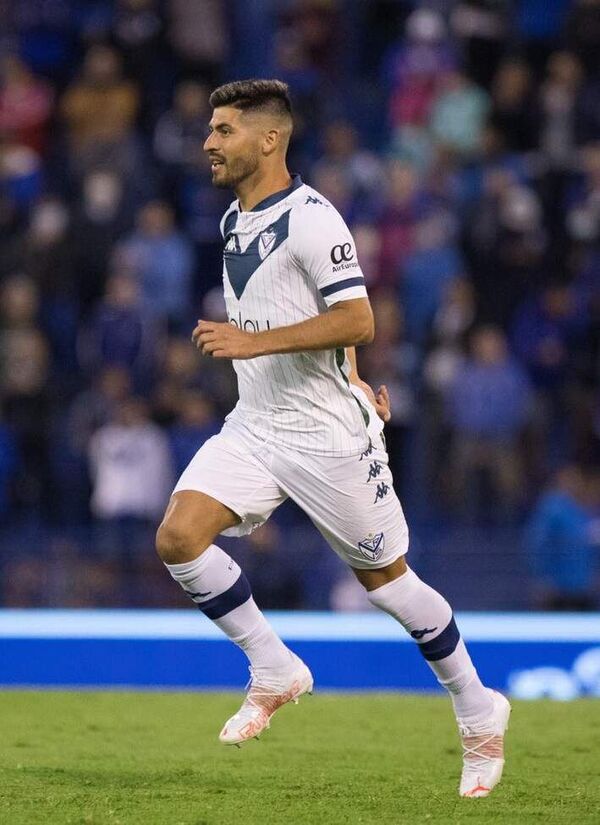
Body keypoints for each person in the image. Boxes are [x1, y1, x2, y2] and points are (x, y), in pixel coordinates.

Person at [155, 79, 510, 799]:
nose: (208, 143)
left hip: (327, 439)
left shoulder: (315, 219)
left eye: (223, 131)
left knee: (390, 586)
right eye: (211, 130)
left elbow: (358, 319)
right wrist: (347, 372)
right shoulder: (232, 219)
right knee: (179, 536)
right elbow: (319, 319)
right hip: (256, 425)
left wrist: (270, 350)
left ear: (268, 139)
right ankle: (275, 668)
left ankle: (478, 708)